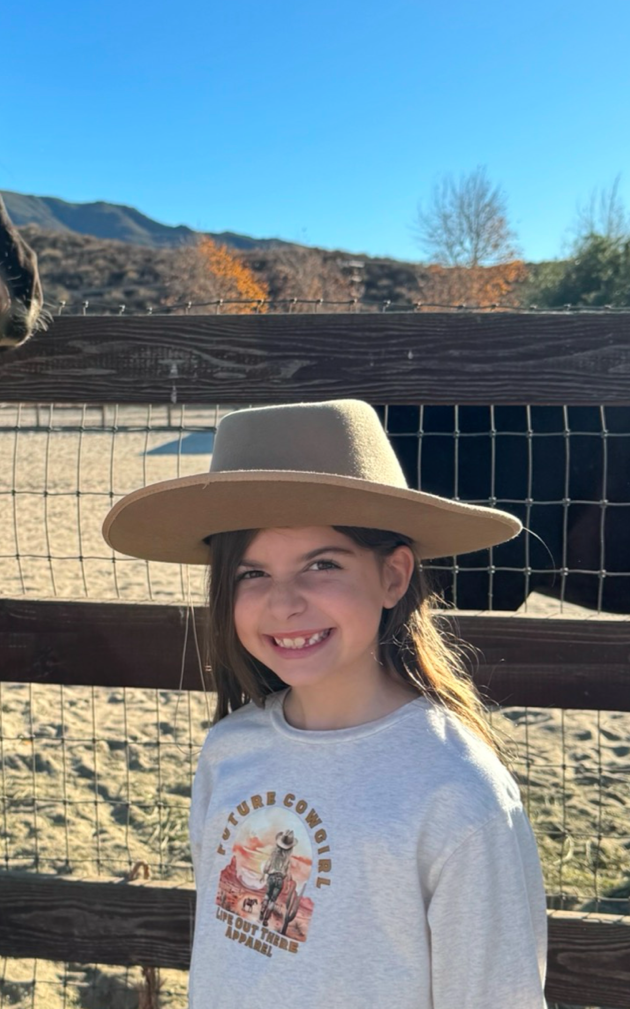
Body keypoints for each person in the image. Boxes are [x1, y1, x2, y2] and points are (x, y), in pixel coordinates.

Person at [102, 399, 547, 1009]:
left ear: (393, 577)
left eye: (322, 565)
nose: (284, 603)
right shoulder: (230, 751)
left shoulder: (456, 792)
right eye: (251, 574)